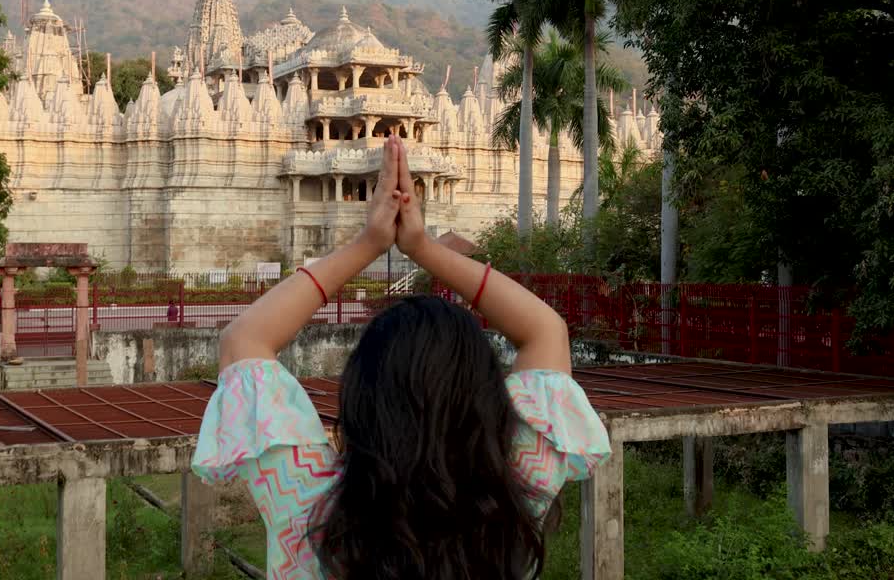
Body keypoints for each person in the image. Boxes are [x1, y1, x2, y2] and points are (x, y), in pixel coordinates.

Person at [192, 135, 610, 579]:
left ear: (362, 397)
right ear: (487, 397)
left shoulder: (309, 510)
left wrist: (368, 243)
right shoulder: (514, 502)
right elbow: (546, 330)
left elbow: (244, 338)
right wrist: (424, 247)